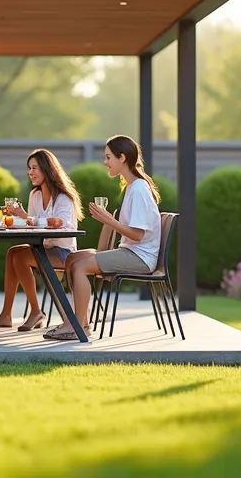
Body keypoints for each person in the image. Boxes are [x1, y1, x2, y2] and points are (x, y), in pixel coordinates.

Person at [44, 135, 162, 341]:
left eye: (108, 157)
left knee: (80, 266)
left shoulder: (139, 189)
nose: (105, 162)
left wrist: (109, 220)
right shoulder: (132, 187)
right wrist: (109, 220)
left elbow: (138, 234)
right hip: (132, 252)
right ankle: (82, 325)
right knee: (71, 259)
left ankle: (75, 327)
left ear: (122, 158)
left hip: (140, 257)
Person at [0, 149, 83, 331]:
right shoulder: (35, 195)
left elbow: (63, 227)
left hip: (64, 253)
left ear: (47, 169)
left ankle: (36, 312)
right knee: (13, 252)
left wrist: (25, 217)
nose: (30, 172)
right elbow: (32, 225)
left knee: (20, 257)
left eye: (35, 168)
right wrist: (16, 219)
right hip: (44, 248)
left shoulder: (63, 198)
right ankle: (6, 314)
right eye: (29, 168)